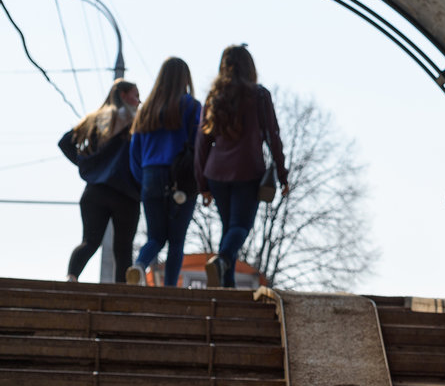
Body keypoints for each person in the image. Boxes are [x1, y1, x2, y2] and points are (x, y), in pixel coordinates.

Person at [195, 44, 289, 288]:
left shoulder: (214, 97)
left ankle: (227, 285)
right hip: (247, 170)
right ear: (250, 67)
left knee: (229, 228)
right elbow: (272, 136)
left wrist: (202, 183)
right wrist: (282, 173)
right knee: (240, 227)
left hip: (216, 172)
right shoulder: (258, 95)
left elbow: (202, 141)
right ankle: (223, 261)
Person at [126, 57, 201, 287]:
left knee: (156, 237)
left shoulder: (146, 109)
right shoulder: (190, 106)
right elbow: (199, 144)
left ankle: (139, 265)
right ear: (185, 78)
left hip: (150, 175)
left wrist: (143, 178)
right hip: (181, 177)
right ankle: (169, 289)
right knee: (176, 240)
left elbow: (134, 151)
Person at [58, 78, 141, 282]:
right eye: (136, 95)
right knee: (123, 249)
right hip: (127, 193)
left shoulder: (96, 119)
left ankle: (71, 278)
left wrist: (87, 165)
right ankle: (121, 297)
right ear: (123, 95)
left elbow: (65, 143)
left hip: (95, 191)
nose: (139, 101)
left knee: (90, 241)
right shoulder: (136, 121)